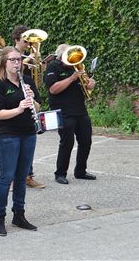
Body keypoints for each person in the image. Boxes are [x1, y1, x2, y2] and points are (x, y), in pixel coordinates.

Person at [0, 46, 40, 236]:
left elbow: (37, 106)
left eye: (19, 60)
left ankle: (19, 214)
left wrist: (31, 98)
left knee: (21, 176)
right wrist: (19, 109)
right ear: (4, 63)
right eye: (13, 60)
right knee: (7, 176)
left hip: (28, 132)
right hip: (7, 134)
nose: (17, 63)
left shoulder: (27, 81)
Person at [44, 44, 96, 184]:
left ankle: (80, 171)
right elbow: (53, 89)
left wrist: (90, 84)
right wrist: (72, 78)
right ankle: (60, 173)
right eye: (69, 56)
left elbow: (86, 88)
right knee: (67, 143)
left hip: (80, 109)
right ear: (61, 57)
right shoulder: (53, 67)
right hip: (63, 111)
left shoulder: (77, 67)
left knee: (86, 141)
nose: (73, 59)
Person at [12, 25, 46, 189]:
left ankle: (28, 175)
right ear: (17, 40)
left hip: (28, 87)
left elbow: (37, 70)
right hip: (14, 90)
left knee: (29, 137)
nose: (28, 44)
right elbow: (10, 68)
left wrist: (38, 62)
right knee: (14, 143)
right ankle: (13, 178)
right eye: (25, 41)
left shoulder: (28, 53)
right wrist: (27, 58)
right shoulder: (10, 53)